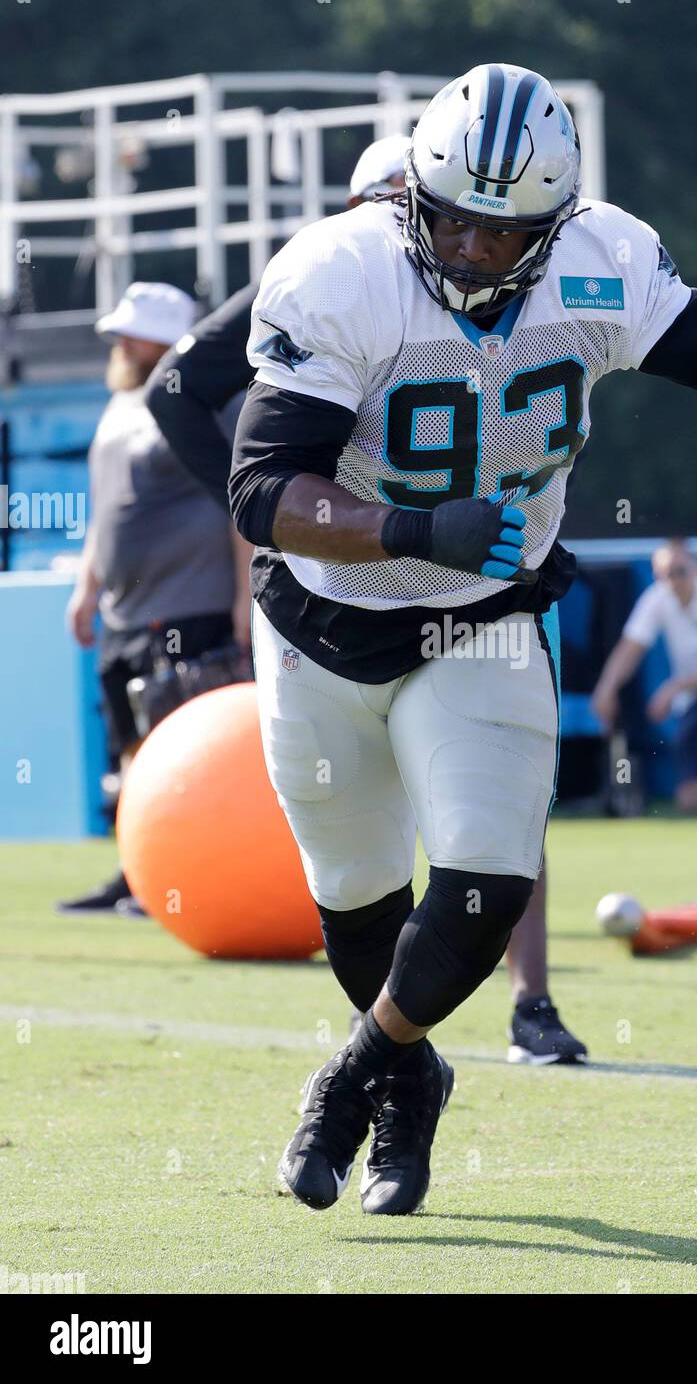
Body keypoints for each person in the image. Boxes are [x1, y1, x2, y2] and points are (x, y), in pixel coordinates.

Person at [228, 62, 697, 1217]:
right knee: (357, 899)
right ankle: (410, 1073)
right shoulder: (340, 273)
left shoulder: (599, 261)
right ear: (411, 196)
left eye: (504, 231)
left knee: (484, 880)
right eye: (454, 222)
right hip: (322, 621)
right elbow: (263, 487)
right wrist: (411, 526)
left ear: (558, 221)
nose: (474, 250)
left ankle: (349, 1077)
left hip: (485, 617)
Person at [145, 133, 587, 1067]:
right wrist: (270, 507)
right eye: (413, 210)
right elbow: (177, 390)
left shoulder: (539, 288)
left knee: (502, 804)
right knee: (357, 845)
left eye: (484, 226)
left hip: (484, 575)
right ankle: (404, 1060)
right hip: (345, 588)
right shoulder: (331, 285)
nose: (454, 247)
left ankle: (529, 996)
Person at [59, 282, 249, 916]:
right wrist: (86, 587)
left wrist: (244, 602)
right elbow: (106, 508)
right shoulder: (119, 404)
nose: (119, 342)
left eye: (132, 333)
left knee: (183, 752)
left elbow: (240, 503)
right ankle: (138, 872)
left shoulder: (207, 401)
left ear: (164, 341)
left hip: (189, 603)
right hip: (123, 610)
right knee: (132, 752)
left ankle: (185, 875)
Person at [592, 539, 697, 815]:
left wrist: (674, 687)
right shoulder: (658, 597)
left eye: (679, 571)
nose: (673, 580)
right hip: (694, 699)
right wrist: (606, 689)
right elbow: (630, 648)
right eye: (665, 574)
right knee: (689, 801)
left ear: (696, 568)